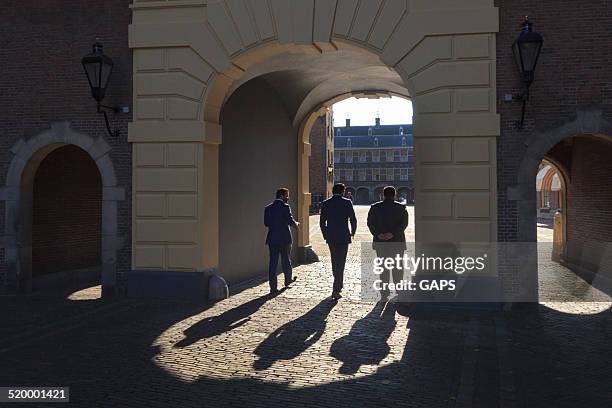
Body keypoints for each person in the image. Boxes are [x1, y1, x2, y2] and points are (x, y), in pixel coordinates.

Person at [367, 186, 408, 301]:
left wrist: (378, 234)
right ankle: (398, 290)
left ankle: (384, 294)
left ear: (383, 195)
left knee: (383, 268)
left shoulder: (375, 207)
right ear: (395, 195)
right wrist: (393, 234)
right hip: (397, 242)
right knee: (397, 268)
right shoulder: (401, 207)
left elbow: (370, 223)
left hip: (380, 242)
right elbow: (404, 224)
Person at [320, 183, 357, 300]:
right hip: (343, 236)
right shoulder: (347, 202)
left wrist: (325, 234)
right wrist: (353, 232)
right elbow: (353, 219)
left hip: (331, 236)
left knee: (334, 260)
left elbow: (322, 222)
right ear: (343, 191)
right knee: (341, 262)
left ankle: (338, 285)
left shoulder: (326, 203)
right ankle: (336, 289)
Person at [264, 188, 299, 295]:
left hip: (272, 239)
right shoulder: (285, 207)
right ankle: (288, 280)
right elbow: (289, 220)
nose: (288, 197)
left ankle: (273, 288)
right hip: (284, 238)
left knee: (272, 263)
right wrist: (296, 224)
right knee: (286, 260)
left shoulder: (268, 208)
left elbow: (266, 223)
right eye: (287, 195)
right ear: (282, 196)